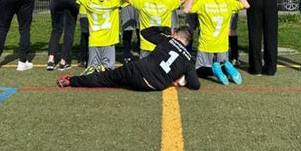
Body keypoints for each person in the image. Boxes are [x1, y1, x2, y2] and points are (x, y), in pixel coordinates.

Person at [56, 26, 200, 91]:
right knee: (116, 81)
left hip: (138, 71)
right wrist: (181, 79)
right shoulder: (188, 60)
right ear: (187, 42)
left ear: (176, 35)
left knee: (106, 78)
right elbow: (195, 85)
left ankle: (71, 80)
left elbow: (145, 32)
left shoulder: (167, 40)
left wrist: (166, 30)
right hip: (152, 86)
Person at [184, 0, 250, 85]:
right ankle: (226, 67)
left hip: (206, 45)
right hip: (222, 45)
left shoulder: (202, 2)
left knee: (199, 70)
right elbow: (246, 5)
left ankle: (215, 71)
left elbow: (186, 10)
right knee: (221, 63)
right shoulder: (227, 1)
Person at [75, 0, 128, 71]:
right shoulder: (112, 2)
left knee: (93, 68)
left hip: (94, 40)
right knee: (108, 68)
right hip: (108, 40)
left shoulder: (89, 2)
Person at [122, 0, 187, 58]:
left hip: (146, 44)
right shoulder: (167, 4)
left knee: (145, 69)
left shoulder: (143, 3)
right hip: (162, 45)